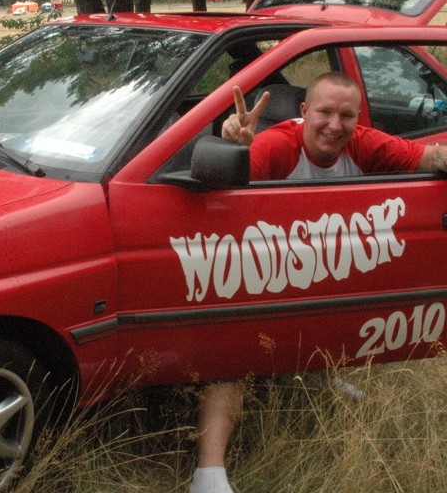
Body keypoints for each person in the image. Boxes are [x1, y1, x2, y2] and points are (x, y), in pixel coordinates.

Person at [189, 72, 447, 493]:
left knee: (338, 299)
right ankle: (208, 473)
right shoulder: (277, 145)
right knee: (233, 354)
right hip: (259, 267)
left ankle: (314, 371)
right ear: (304, 112)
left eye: (346, 115)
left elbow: (430, 159)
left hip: (318, 271)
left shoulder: (364, 143)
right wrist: (234, 140)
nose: (334, 125)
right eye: (324, 112)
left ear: (358, 120)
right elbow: (218, 187)